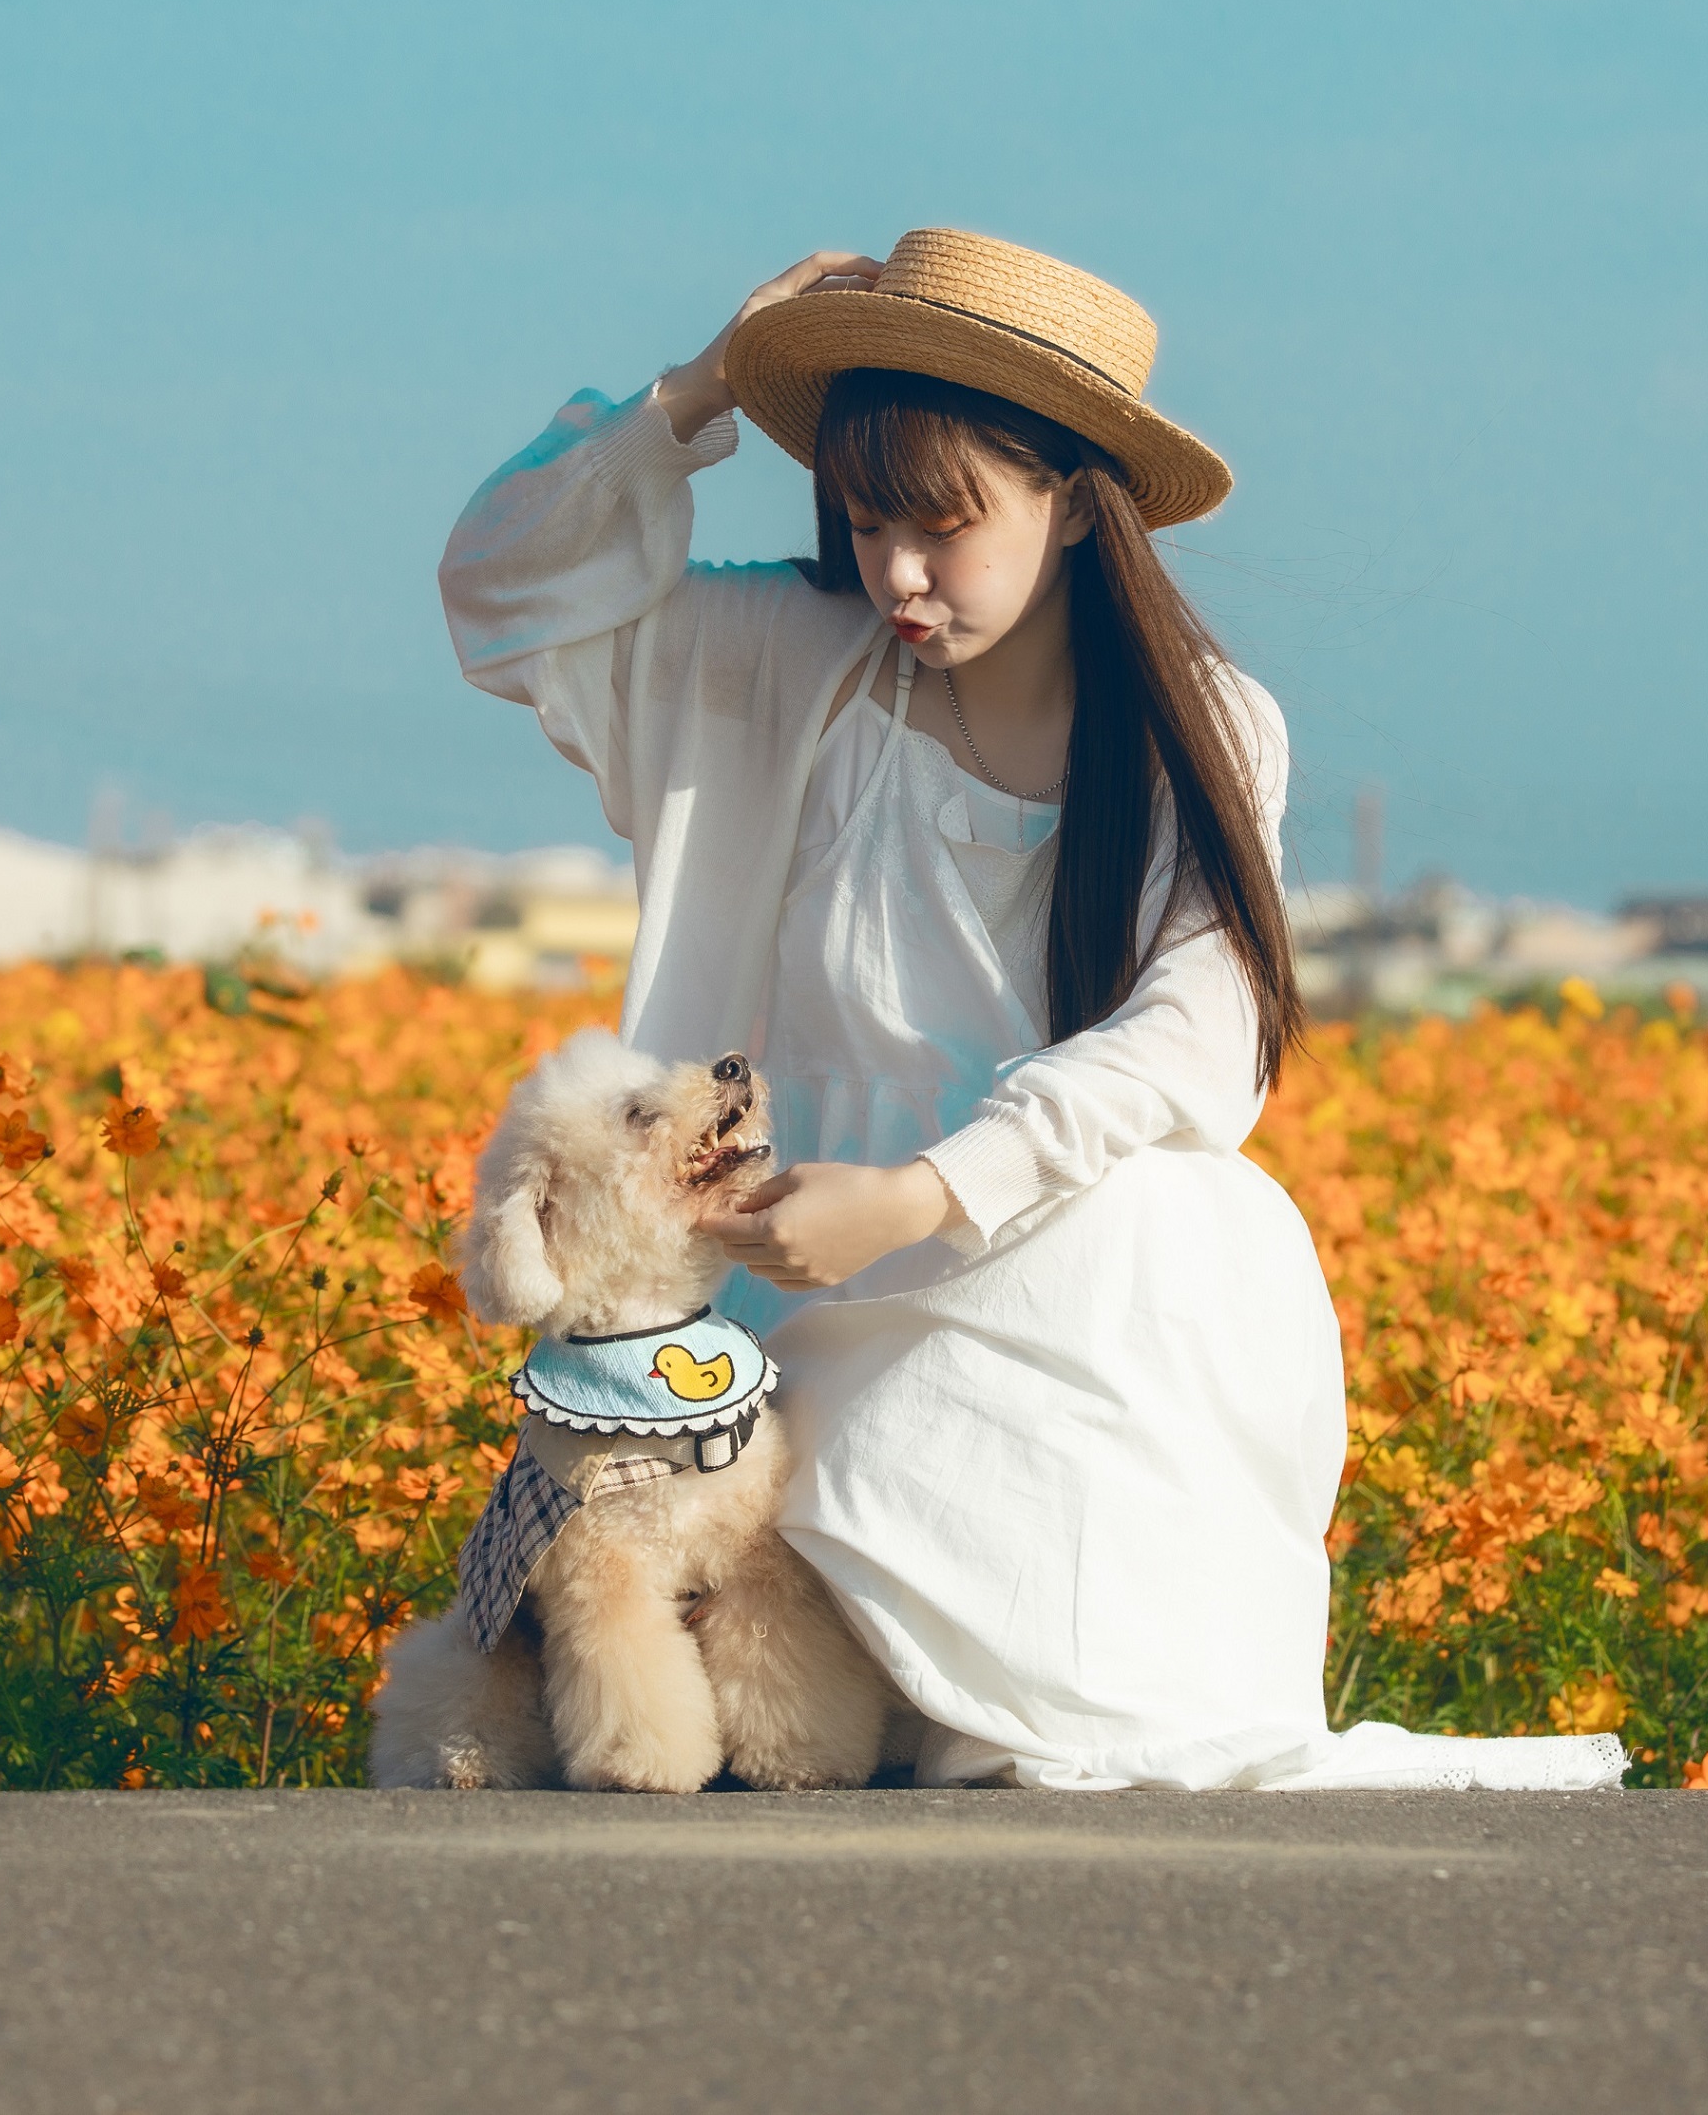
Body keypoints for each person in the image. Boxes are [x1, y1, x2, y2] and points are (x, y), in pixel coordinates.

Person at [438, 229, 1623, 1791]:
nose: (897, 577)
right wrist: (704, 384)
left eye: (943, 526)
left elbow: (1199, 1030)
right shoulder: (776, 665)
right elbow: (503, 591)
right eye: (864, 525)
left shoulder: (1196, 725)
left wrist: (930, 1191)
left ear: (1069, 502)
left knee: (1174, 1219)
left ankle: (1025, 1698)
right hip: (799, 1305)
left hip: (1039, 1254)